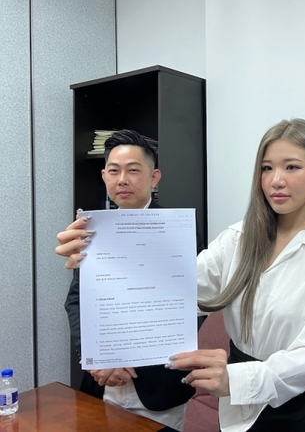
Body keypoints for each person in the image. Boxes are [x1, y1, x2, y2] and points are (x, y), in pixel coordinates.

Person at [164, 118, 305, 432]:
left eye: (292, 167)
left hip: (294, 410)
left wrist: (236, 379)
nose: (276, 181)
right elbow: (179, 286)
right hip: (233, 401)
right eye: (267, 168)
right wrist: (100, 258)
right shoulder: (238, 238)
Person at [56, 129, 204, 431]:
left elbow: (191, 308)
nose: (122, 179)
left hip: (159, 386)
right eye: (114, 171)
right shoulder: (90, 231)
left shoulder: (178, 231)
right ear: (104, 176)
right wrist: (94, 356)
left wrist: (131, 359)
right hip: (101, 381)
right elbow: (76, 300)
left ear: (154, 177)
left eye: (133, 170)